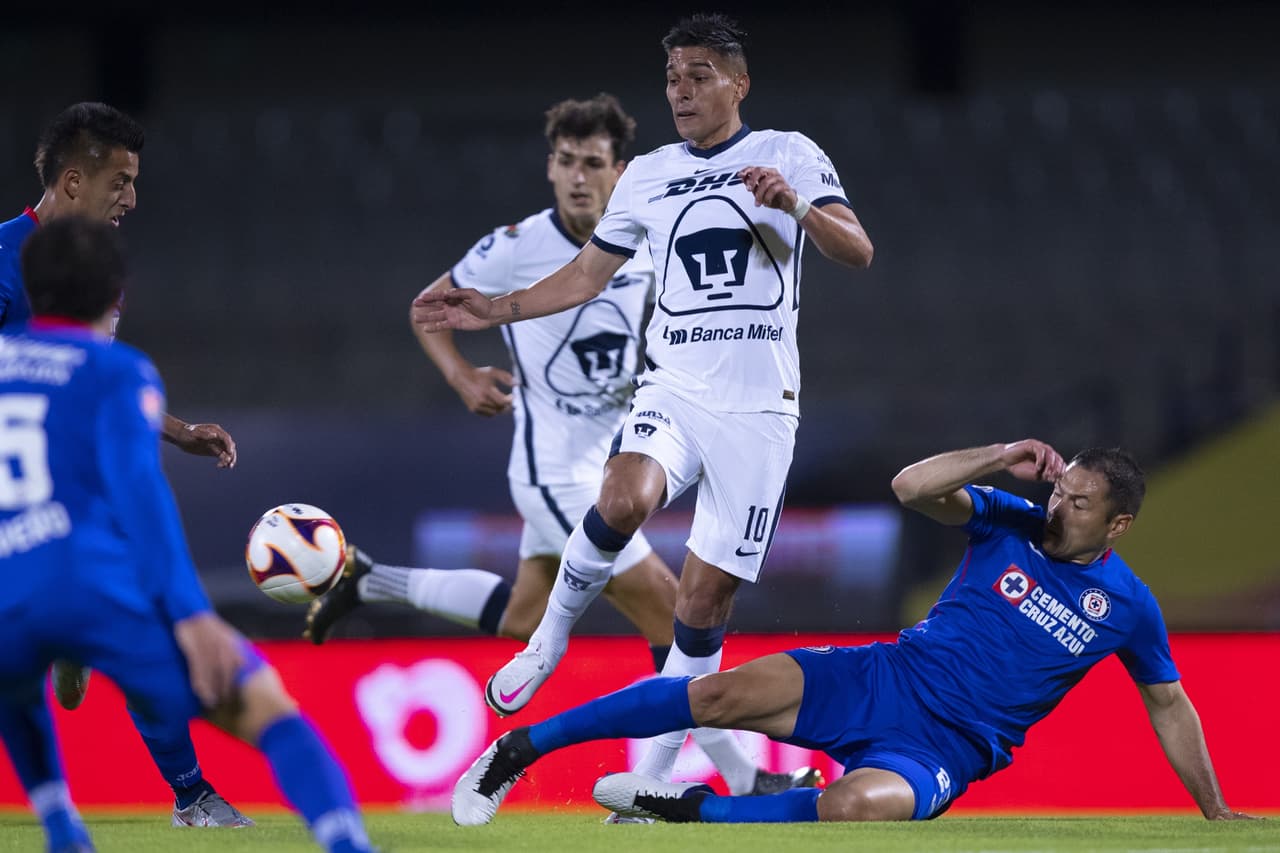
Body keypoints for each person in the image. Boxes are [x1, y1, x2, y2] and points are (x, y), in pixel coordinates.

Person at [306, 93, 817, 799]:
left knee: (523, 613)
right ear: (551, 168)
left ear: (620, 170)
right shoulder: (516, 246)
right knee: (674, 608)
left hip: (615, 445)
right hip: (553, 471)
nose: (578, 177)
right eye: (566, 162)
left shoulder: (648, 225)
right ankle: (735, 774)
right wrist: (460, 375)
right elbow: (429, 307)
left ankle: (368, 579)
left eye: (593, 163)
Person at [414, 12, 873, 792]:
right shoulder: (650, 172)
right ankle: (547, 642)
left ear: (739, 82)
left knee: (699, 604)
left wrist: (794, 205)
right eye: (672, 77)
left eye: (698, 75)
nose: (682, 91)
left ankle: (655, 781)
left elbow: (856, 250)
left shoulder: (787, 152)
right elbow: (585, 277)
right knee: (624, 491)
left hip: (761, 410)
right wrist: (500, 309)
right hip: (675, 386)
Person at [450, 438, 1258, 826]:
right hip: (885, 675)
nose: (1057, 507)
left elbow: (1169, 703)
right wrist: (1000, 456)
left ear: (1115, 524)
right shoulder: (1009, 519)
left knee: (849, 810)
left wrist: (1215, 809)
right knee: (715, 692)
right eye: (1060, 490)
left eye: (1077, 504)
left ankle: (688, 810)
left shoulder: (1128, 605)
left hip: (947, 750)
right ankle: (516, 751)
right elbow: (910, 486)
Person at [0, 217, 376, 853]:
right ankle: (344, 842)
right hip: (82, 582)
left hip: (7, 588)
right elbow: (140, 496)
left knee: (16, 678)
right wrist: (193, 614)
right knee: (264, 705)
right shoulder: (117, 369)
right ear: (113, 293)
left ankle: (61, 823)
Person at [0, 102, 245, 827]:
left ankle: (192, 793)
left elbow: (96, 379)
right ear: (74, 181)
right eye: (122, 181)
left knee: (141, 620)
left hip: (77, 495)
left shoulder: (95, 272)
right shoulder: (4, 259)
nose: (132, 200)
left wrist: (178, 431)